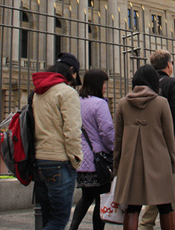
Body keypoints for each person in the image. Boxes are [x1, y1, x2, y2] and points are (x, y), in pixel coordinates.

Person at [113, 65, 175, 230]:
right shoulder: (162, 103)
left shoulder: (122, 104)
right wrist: (172, 162)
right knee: (165, 206)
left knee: (132, 206)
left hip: (131, 162)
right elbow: (169, 137)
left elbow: (118, 140)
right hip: (159, 161)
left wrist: (117, 166)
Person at [32, 53, 83, 229]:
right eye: (76, 74)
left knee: (48, 218)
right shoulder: (67, 92)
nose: (75, 78)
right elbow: (72, 130)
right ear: (70, 71)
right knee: (59, 219)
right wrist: (76, 159)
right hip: (59, 161)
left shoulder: (38, 93)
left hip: (40, 160)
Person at [140, 50, 175, 230]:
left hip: (150, 145)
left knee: (156, 189)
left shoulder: (146, 85)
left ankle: (145, 225)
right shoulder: (172, 83)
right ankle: (171, 226)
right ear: (168, 65)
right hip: (170, 146)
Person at [70, 69, 114, 230]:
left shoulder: (77, 101)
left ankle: (73, 227)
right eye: (103, 83)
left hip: (82, 160)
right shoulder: (99, 103)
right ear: (97, 84)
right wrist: (114, 148)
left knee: (86, 197)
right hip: (98, 160)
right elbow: (107, 131)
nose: (105, 87)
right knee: (101, 199)